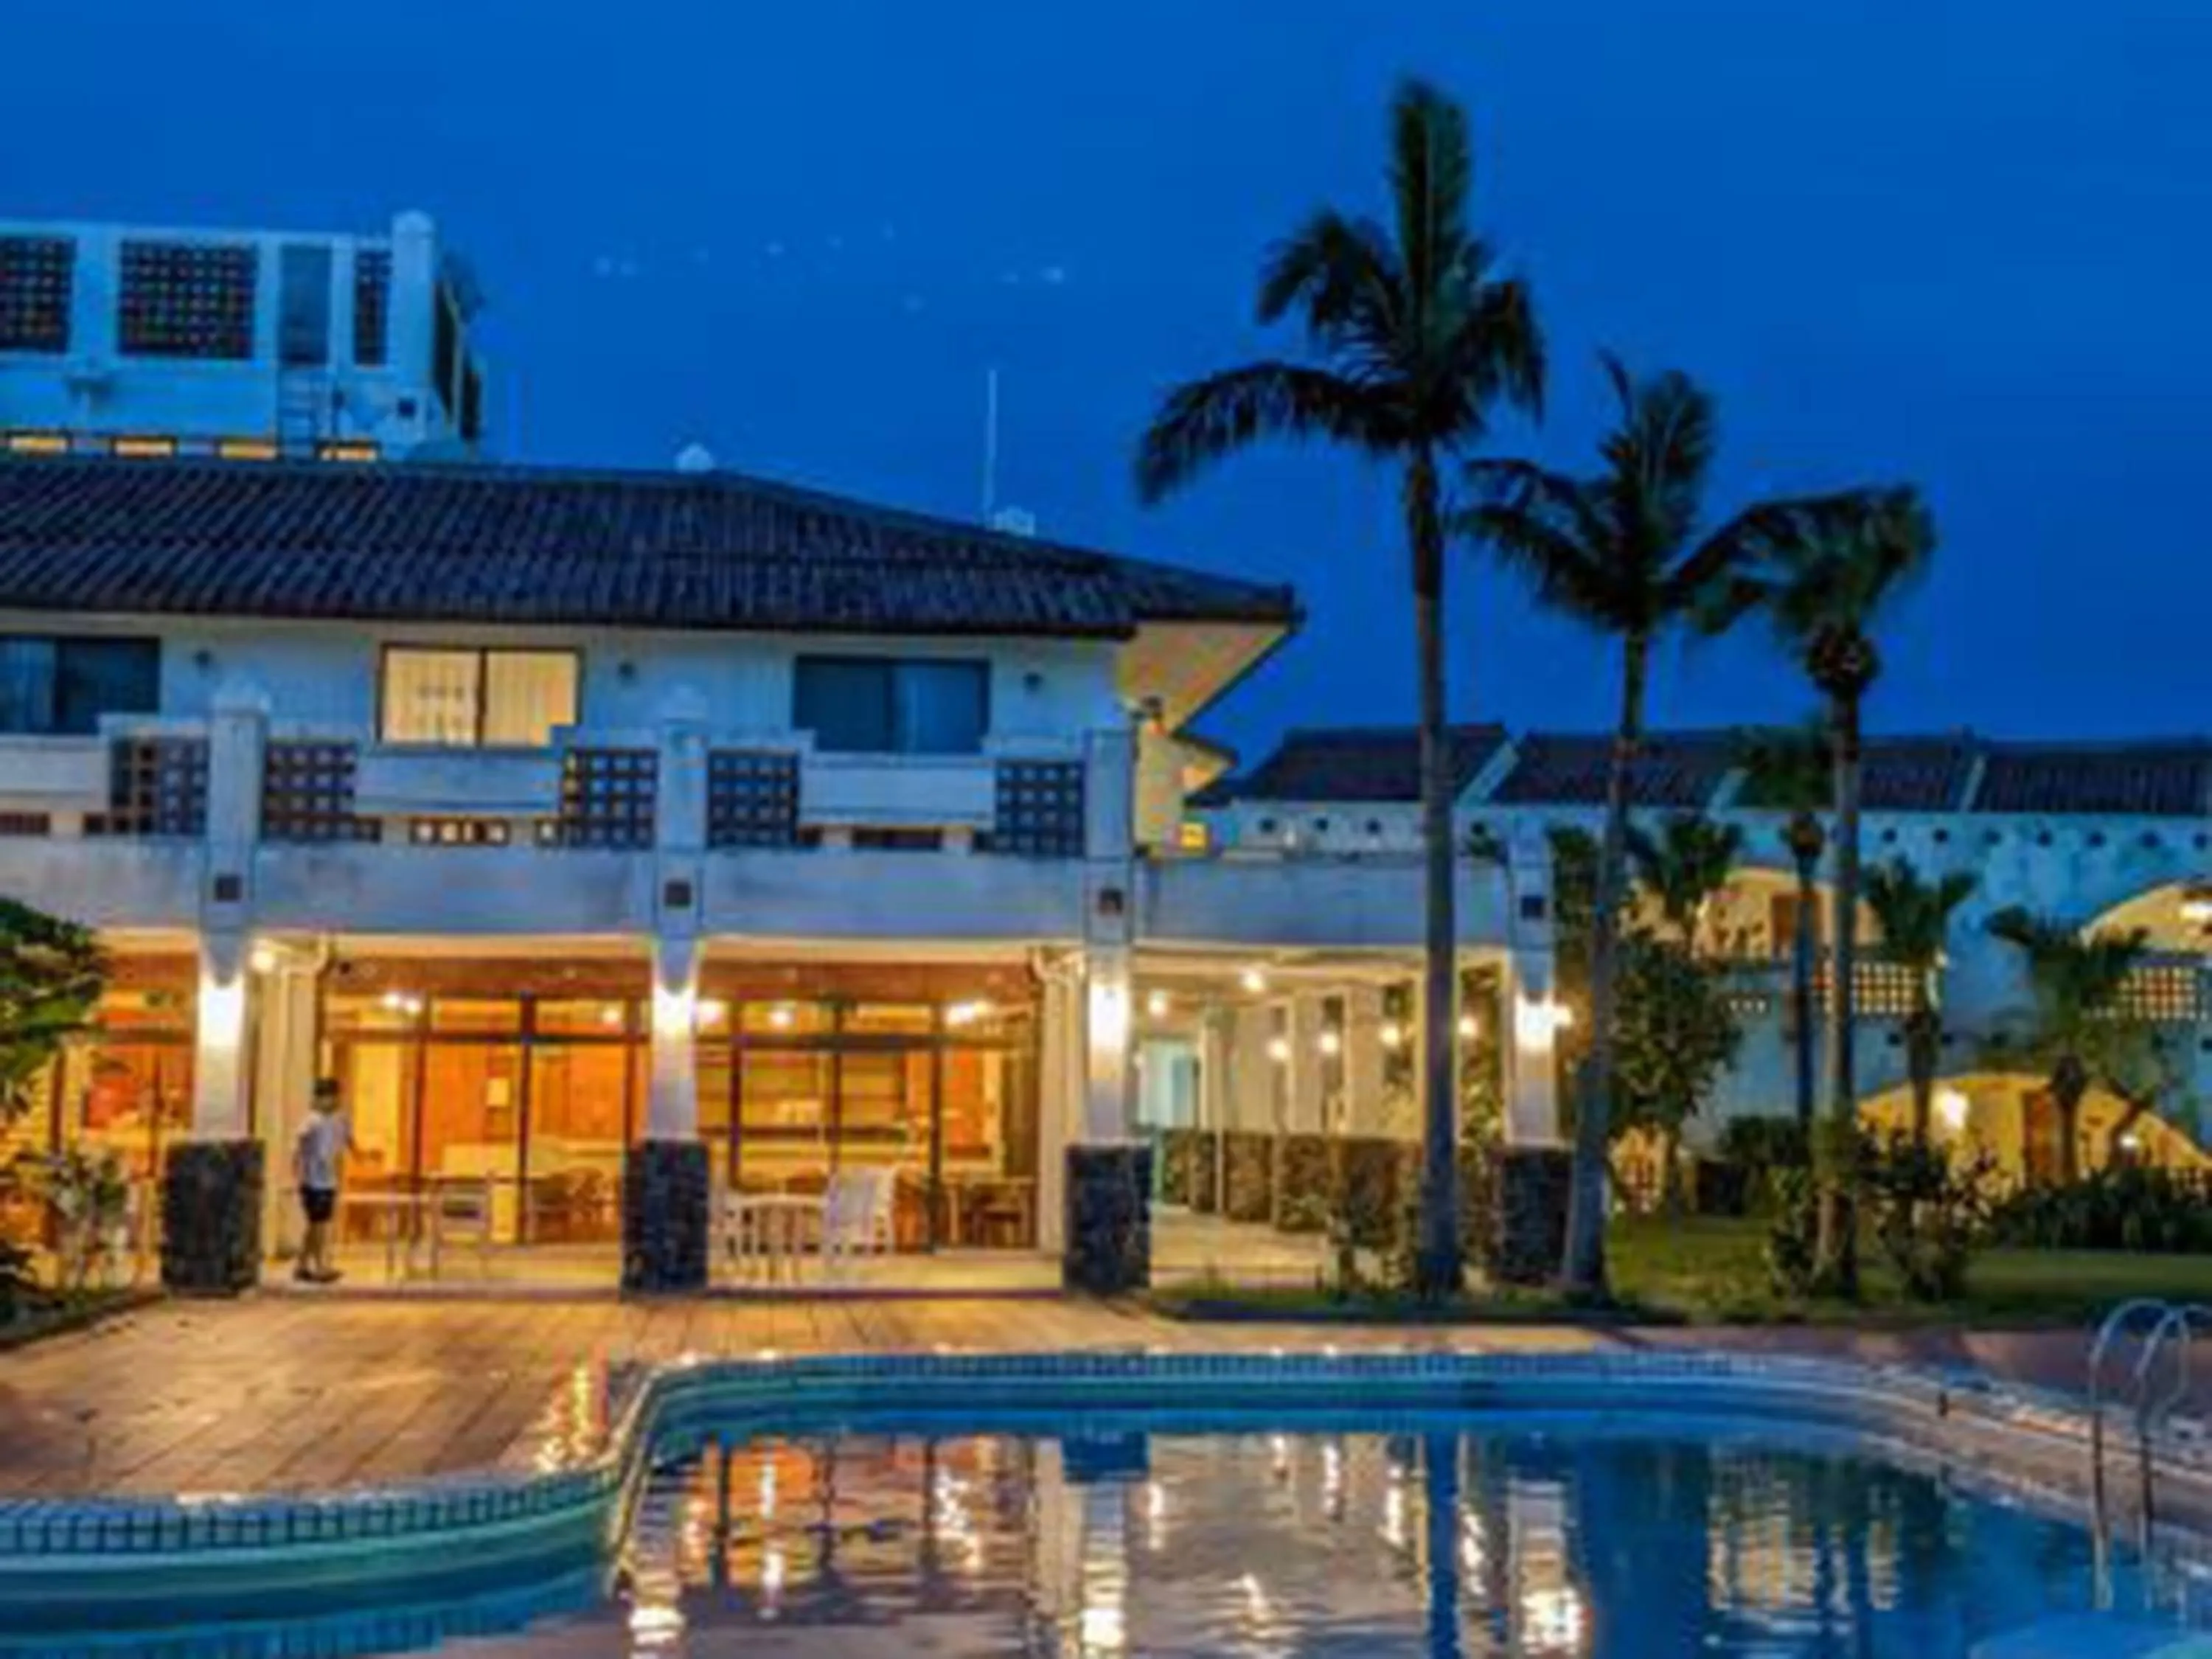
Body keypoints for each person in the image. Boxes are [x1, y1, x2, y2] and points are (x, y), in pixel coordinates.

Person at [293, 1078, 351, 1284]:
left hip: (329, 1179)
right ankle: (320, 1266)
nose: (332, 1101)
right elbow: (299, 1146)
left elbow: (348, 1140)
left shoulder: (339, 1120)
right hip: (312, 1180)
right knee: (319, 1224)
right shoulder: (311, 1121)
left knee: (316, 1224)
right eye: (327, 1097)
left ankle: (301, 1265)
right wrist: (297, 1173)